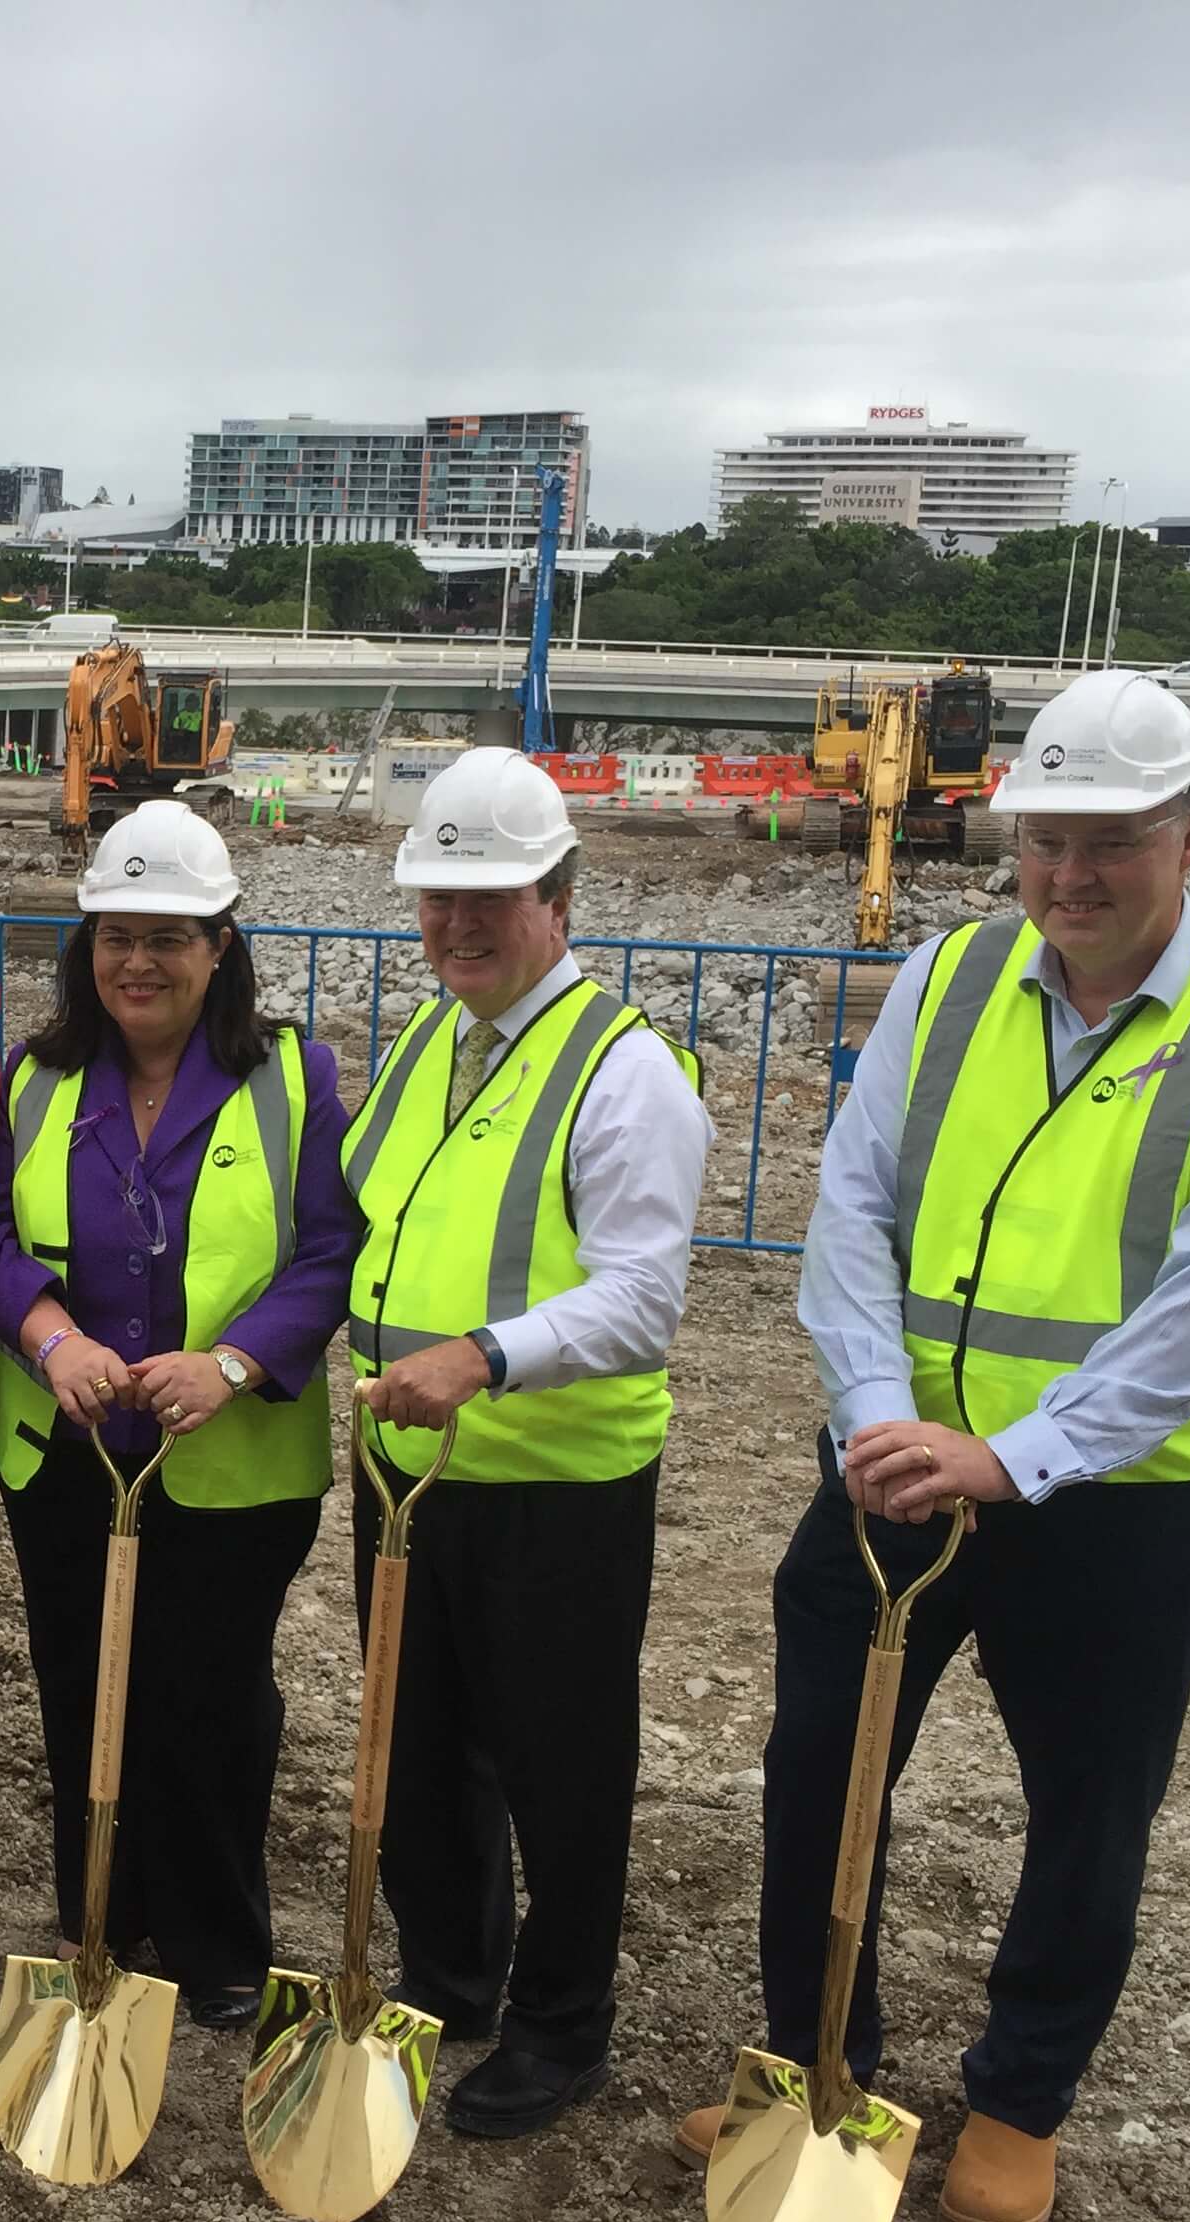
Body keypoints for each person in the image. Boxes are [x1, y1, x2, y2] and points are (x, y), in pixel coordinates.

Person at [674, 670, 1190, 2222]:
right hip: (895, 1467)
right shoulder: (949, 977)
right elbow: (854, 1211)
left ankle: (1020, 2101)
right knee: (820, 1771)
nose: (1073, 874)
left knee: (1088, 1812)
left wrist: (1015, 1456)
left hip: (1124, 1504)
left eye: (1113, 840)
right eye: (1047, 839)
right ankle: (817, 2061)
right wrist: (874, 1411)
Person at [342, 746, 711, 2137]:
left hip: (555, 1489)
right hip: (409, 1474)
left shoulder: (627, 1073)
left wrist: (483, 1359)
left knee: (562, 1770)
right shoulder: (432, 1043)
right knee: (420, 1748)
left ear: (560, 895)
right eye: (438, 898)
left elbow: (641, 1299)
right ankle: (451, 1980)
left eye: (490, 897)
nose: (458, 924)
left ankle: (563, 2024)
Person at [0, 803, 355, 2029]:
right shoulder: (36, 1080)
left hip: (231, 1458)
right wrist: (52, 1339)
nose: (138, 962)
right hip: (66, 1449)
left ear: (220, 946)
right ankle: (100, 1918)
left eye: (168, 937)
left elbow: (330, 1249)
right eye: (116, 936)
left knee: (211, 1697)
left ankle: (218, 1939)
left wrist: (231, 1364)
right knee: (80, 1684)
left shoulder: (293, 1079)